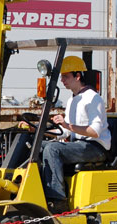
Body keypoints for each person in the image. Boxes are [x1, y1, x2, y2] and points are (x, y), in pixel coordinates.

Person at [42, 56, 111, 214]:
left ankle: (58, 201)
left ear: (78, 76)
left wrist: (67, 125)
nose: (62, 80)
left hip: (95, 147)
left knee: (53, 150)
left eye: (66, 76)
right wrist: (38, 132)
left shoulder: (93, 99)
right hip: (79, 145)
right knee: (39, 146)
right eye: (62, 77)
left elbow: (94, 131)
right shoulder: (73, 100)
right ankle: (42, 192)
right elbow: (65, 132)